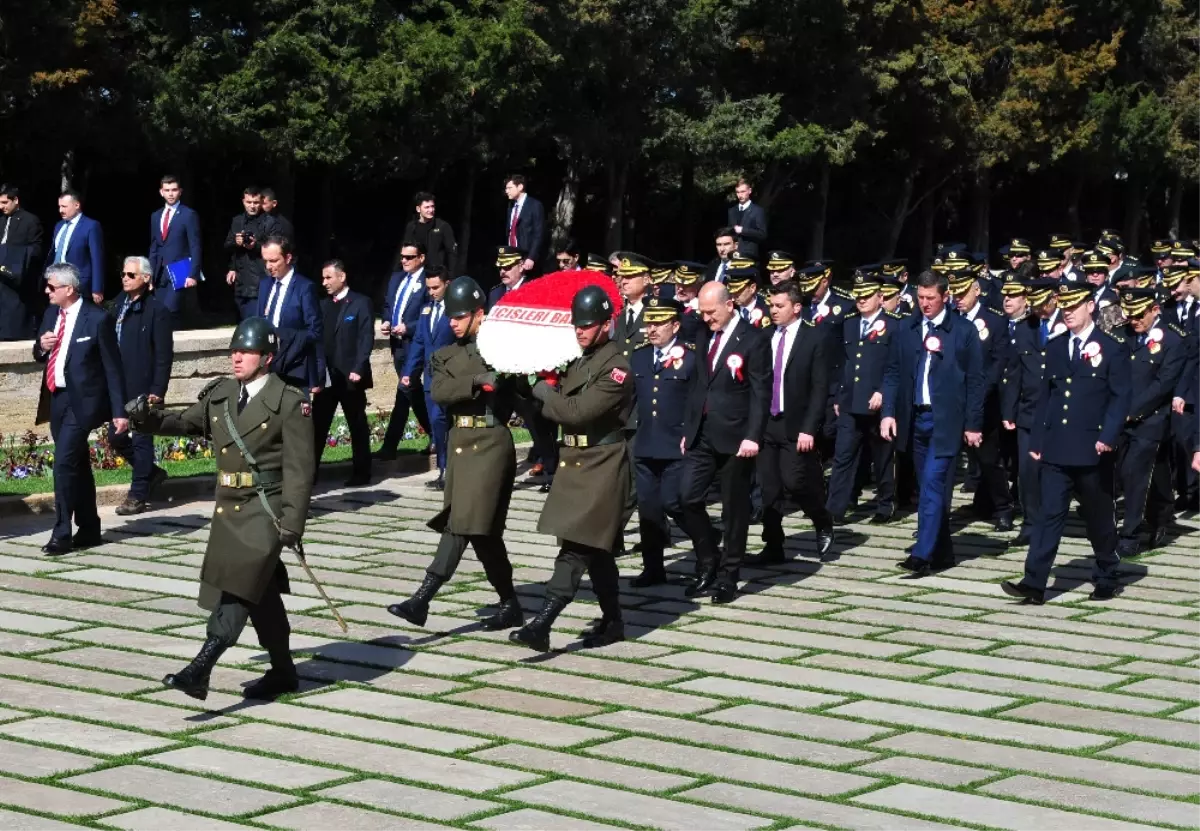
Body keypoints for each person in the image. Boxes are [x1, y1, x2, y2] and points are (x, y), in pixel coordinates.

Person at [127, 317, 313, 700]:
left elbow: (300, 469)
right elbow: (183, 423)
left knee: (238, 590)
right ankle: (283, 671)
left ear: (268, 357)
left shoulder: (290, 402)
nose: (237, 357)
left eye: (246, 351)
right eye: (234, 350)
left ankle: (200, 669)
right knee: (259, 593)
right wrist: (145, 417)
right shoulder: (222, 394)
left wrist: (293, 521)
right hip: (230, 509)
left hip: (267, 508)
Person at [387, 277, 523, 630]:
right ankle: (510, 603)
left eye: (460, 316)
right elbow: (441, 392)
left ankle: (422, 598)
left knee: (461, 523)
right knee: (483, 532)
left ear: (479, 314)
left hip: (491, 445)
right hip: (461, 448)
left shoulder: (505, 350)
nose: (453, 322)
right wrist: (478, 381)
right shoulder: (444, 355)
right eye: (450, 316)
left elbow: (523, 388)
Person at [508, 285, 632, 651]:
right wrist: (525, 376)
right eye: (576, 325)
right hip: (577, 463)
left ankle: (542, 623)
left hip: (602, 465)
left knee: (577, 547)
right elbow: (546, 407)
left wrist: (546, 390)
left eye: (588, 325)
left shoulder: (617, 367)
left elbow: (575, 412)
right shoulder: (580, 360)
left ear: (606, 324)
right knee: (597, 550)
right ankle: (613, 621)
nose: (579, 331)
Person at [1003, 281, 1130, 604]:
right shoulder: (1057, 347)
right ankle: (1034, 582)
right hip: (1057, 447)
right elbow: (1047, 396)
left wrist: (1108, 436)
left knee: (1098, 516)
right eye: (1065, 306)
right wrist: (1039, 438)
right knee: (1048, 516)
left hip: (1092, 447)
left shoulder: (1112, 347)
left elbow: (1120, 397)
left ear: (1091, 306)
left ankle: (1106, 573)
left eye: (1075, 305)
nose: (1068, 312)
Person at [881, 269, 984, 577]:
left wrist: (973, 424)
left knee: (933, 486)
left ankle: (921, 553)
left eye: (930, 298)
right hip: (916, 417)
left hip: (946, 420)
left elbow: (976, 381)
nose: (924, 304)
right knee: (927, 485)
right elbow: (893, 372)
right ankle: (943, 553)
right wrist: (888, 411)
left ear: (945, 297)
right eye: (920, 298)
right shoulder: (907, 329)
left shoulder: (963, 331)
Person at [677, 282, 770, 602]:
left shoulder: (754, 339)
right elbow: (699, 384)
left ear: (730, 305)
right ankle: (707, 559)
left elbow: (760, 392)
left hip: (736, 436)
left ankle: (729, 575)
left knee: (734, 509)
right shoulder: (703, 333)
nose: (706, 318)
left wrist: (753, 436)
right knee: (686, 498)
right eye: (702, 312)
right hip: (701, 432)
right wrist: (688, 430)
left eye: (711, 312)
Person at [33, 263, 127, 554]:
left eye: (52, 287)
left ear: (69, 289)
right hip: (56, 397)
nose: (47, 291)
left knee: (62, 463)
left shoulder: (97, 319)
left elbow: (113, 368)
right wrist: (41, 346)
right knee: (77, 464)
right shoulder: (51, 313)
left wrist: (119, 411)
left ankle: (61, 533)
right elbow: (38, 354)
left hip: (83, 402)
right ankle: (89, 527)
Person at [752, 281, 834, 567]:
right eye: (771, 305)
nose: (772, 311)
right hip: (767, 422)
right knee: (769, 488)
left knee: (795, 481)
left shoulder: (814, 338)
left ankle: (822, 519)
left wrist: (809, 427)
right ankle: (773, 544)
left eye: (779, 306)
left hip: (796, 422)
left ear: (797, 308)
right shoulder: (765, 336)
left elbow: (820, 387)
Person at [1114, 287, 1186, 556]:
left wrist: (1133, 410)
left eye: (1139, 315)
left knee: (1135, 474)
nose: (1134, 321)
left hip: (1151, 420)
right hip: (1119, 418)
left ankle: (1130, 534)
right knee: (1121, 473)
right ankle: (1160, 515)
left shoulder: (1173, 340)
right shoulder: (1122, 335)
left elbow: (1163, 383)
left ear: (1155, 309)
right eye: (1129, 315)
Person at [629, 297, 694, 586]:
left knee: (675, 502)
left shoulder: (690, 356)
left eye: (658, 323)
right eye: (648, 322)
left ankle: (707, 547)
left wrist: (691, 436)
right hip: (645, 444)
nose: (651, 328)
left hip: (675, 444)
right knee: (648, 509)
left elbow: (697, 401)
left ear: (675, 325)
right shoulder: (640, 356)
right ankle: (653, 568)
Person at [826, 271, 900, 524]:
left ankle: (885, 503)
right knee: (843, 456)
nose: (862, 300)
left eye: (867, 296)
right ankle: (835, 508)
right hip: (849, 401)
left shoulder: (894, 324)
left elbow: (896, 365)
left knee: (882, 457)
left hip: (877, 403)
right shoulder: (848, 322)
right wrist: (837, 394)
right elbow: (841, 362)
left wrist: (883, 391)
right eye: (859, 296)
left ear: (880, 297)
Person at [949, 268, 1015, 531]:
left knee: (988, 459)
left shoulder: (994, 321)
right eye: (955, 293)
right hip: (952, 400)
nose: (959, 298)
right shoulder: (950, 320)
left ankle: (1003, 507)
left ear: (977, 290)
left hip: (984, 400)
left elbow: (997, 364)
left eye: (964, 292)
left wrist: (977, 393)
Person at [488, 246, 558, 482]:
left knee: (537, 424)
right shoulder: (495, 294)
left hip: (527, 371)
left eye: (508, 267)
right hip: (501, 370)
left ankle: (550, 470)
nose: (503, 272)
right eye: (500, 268)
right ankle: (494, 469)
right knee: (495, 422)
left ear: (521, 266)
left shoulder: (535, 291)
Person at [109, 256, 173, 515]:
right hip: (120, 385)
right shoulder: (119, 305)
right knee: (116, 437)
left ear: (145, 278)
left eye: (131, 274)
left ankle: (137, 495)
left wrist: (157, 389)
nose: (125, 278)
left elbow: (163, 355)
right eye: (123, 274)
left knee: (141, 440)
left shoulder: (157, 311)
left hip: (144, 388)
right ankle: (152, 473)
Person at [1002, 277, 1062, 545]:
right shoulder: (1026, 328)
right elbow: (1014, 372)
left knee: (1058, 470)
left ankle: (1055, 520)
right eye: (1034, 304)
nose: (1038, 310)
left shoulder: (1068, 324)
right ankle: (1030, 523)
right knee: (1027, 472)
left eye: (1042, 304)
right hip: (1029, 411)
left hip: (1060, 412)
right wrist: (1008, 410)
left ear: (1055, 298)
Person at [312, 259, 374, 487]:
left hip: (350, 377)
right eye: (323, 278)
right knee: (317, 427)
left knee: (356, 424)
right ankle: (310, 475)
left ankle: (362, 472)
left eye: (328, 277)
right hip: (327, 377)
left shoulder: (360, 303)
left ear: (342, 276)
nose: (324, 282)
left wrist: (358, 367)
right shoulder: (322, 306)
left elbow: (366, 337)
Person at [377, 241, 431, 460]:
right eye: (403, 257)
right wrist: (387, 321)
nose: (404, 261)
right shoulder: (396, 279)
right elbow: (389, 305)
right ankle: (437, 434)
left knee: (404, 390)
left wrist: (408, 327)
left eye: (409, 257)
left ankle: (390, 445)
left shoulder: (428, 282)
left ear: (421, 258)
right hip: (397, 344)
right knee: (412, 392)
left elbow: (430, 315)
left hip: (415, 344)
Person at [403, 266, 455, 489]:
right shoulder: (426, 311)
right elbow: (419, 343)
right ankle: (444, 470)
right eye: (429, 288)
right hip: (431, 378)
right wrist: (408, 372)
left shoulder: (456, 311)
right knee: (437, 424)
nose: (432, 292)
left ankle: (454, 470)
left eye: (436, 287)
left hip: (452, 378)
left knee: (450, 423)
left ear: (447, 284)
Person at [256, 236, 324, 393]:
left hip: (295, 367)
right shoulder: (265, 285)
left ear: (287, 258)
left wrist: (282, 334)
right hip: (268, 366)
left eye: (273, 261)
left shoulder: (304, 288)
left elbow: (315, 332)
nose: (268, 266)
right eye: (265, 261)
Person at [148, 174, 202, 319]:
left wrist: (193, 274)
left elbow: (195, 245)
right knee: (158, 312)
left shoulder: (188, 214)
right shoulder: (156, 216)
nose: (170, 194)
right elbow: (154, 247)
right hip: (159, 273)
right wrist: (149, 274)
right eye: (167, 190)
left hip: (180, 270)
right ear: (161, 192)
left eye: (174, 190)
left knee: (170, 310)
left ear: (180, 191)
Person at [224, 187, 279, 320]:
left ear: (261, 202)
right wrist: (236, 243)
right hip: (240, 281)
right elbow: (227, 245)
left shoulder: (270, 222)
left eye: (255, 202)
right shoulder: (237, 221)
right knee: (242, 323)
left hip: (260, 278)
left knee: (256, 322)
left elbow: (276, 249)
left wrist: (255, 246)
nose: (252, 206)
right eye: (249, 202)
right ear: (243, 201)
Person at [45, 190, 105, 304]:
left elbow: (97, 258)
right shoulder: (59, 226)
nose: (60, 210)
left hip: (78, 285)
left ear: (77, 205)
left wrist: (97, 288)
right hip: (56, 284)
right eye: (59, 206)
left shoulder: (91, 226)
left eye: (64, 206)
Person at [0, 183, 43, 340]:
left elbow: (36, 249)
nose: (1, 207)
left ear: (15, 200)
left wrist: (15, 257)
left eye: (5, 202)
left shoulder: (30, 221)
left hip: (17, 279)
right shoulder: (1, 221)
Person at [402, 191, 458, 272]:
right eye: (427, 207)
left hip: (435, 274)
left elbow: (452, 253)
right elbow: (406, 250)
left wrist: (451, 275)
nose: (431, 210)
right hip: (415, 272)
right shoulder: (411, 227)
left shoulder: (442, 226)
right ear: (418, 209)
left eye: (432, 206)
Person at [503, 175, 545, 273]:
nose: (506, 191)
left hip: (527, 257)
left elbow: (539, 233)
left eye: (509, 188)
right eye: (506, 188)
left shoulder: (535, 205)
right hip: (511, 256)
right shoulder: (511, 207)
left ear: (520, 187)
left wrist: (531, 257)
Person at [614, 255, 651, 359]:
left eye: (630, 276)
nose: (624, 282)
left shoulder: (654, 313)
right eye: (622, 277)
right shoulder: (618, 313)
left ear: (646, 280)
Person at [728, 178, 768, 260]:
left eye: (743, 191)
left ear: (749, 191)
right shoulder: (731, 211)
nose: (740, 195)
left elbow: (762, 234)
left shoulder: (757, 211)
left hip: (749, 256)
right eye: (738, 192)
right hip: (732, 255)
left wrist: (743, 230)